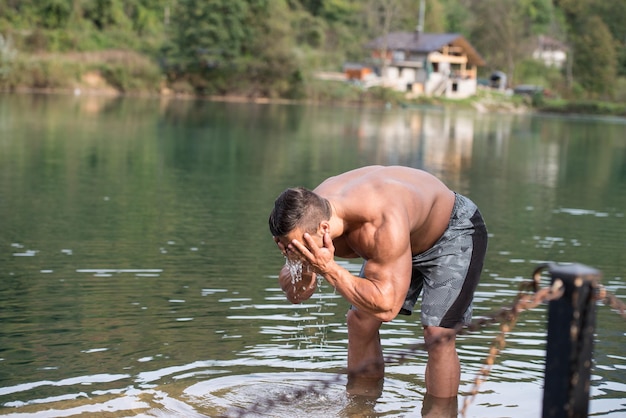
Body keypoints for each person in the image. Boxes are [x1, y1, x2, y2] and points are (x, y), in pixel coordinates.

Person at [268, 165, 487, 404]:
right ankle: (361, 407)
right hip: (398, 243)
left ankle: (441, 412)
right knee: (359, 321)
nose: (298, 251)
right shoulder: (310, 213)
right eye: (290, 248)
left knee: (437, 333)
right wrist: (303, 264)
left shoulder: (379, 222)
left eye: (299, 247)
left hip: (450, 233)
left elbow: (387, 307)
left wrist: (329, 269)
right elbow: (297, 295)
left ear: (324, 229)